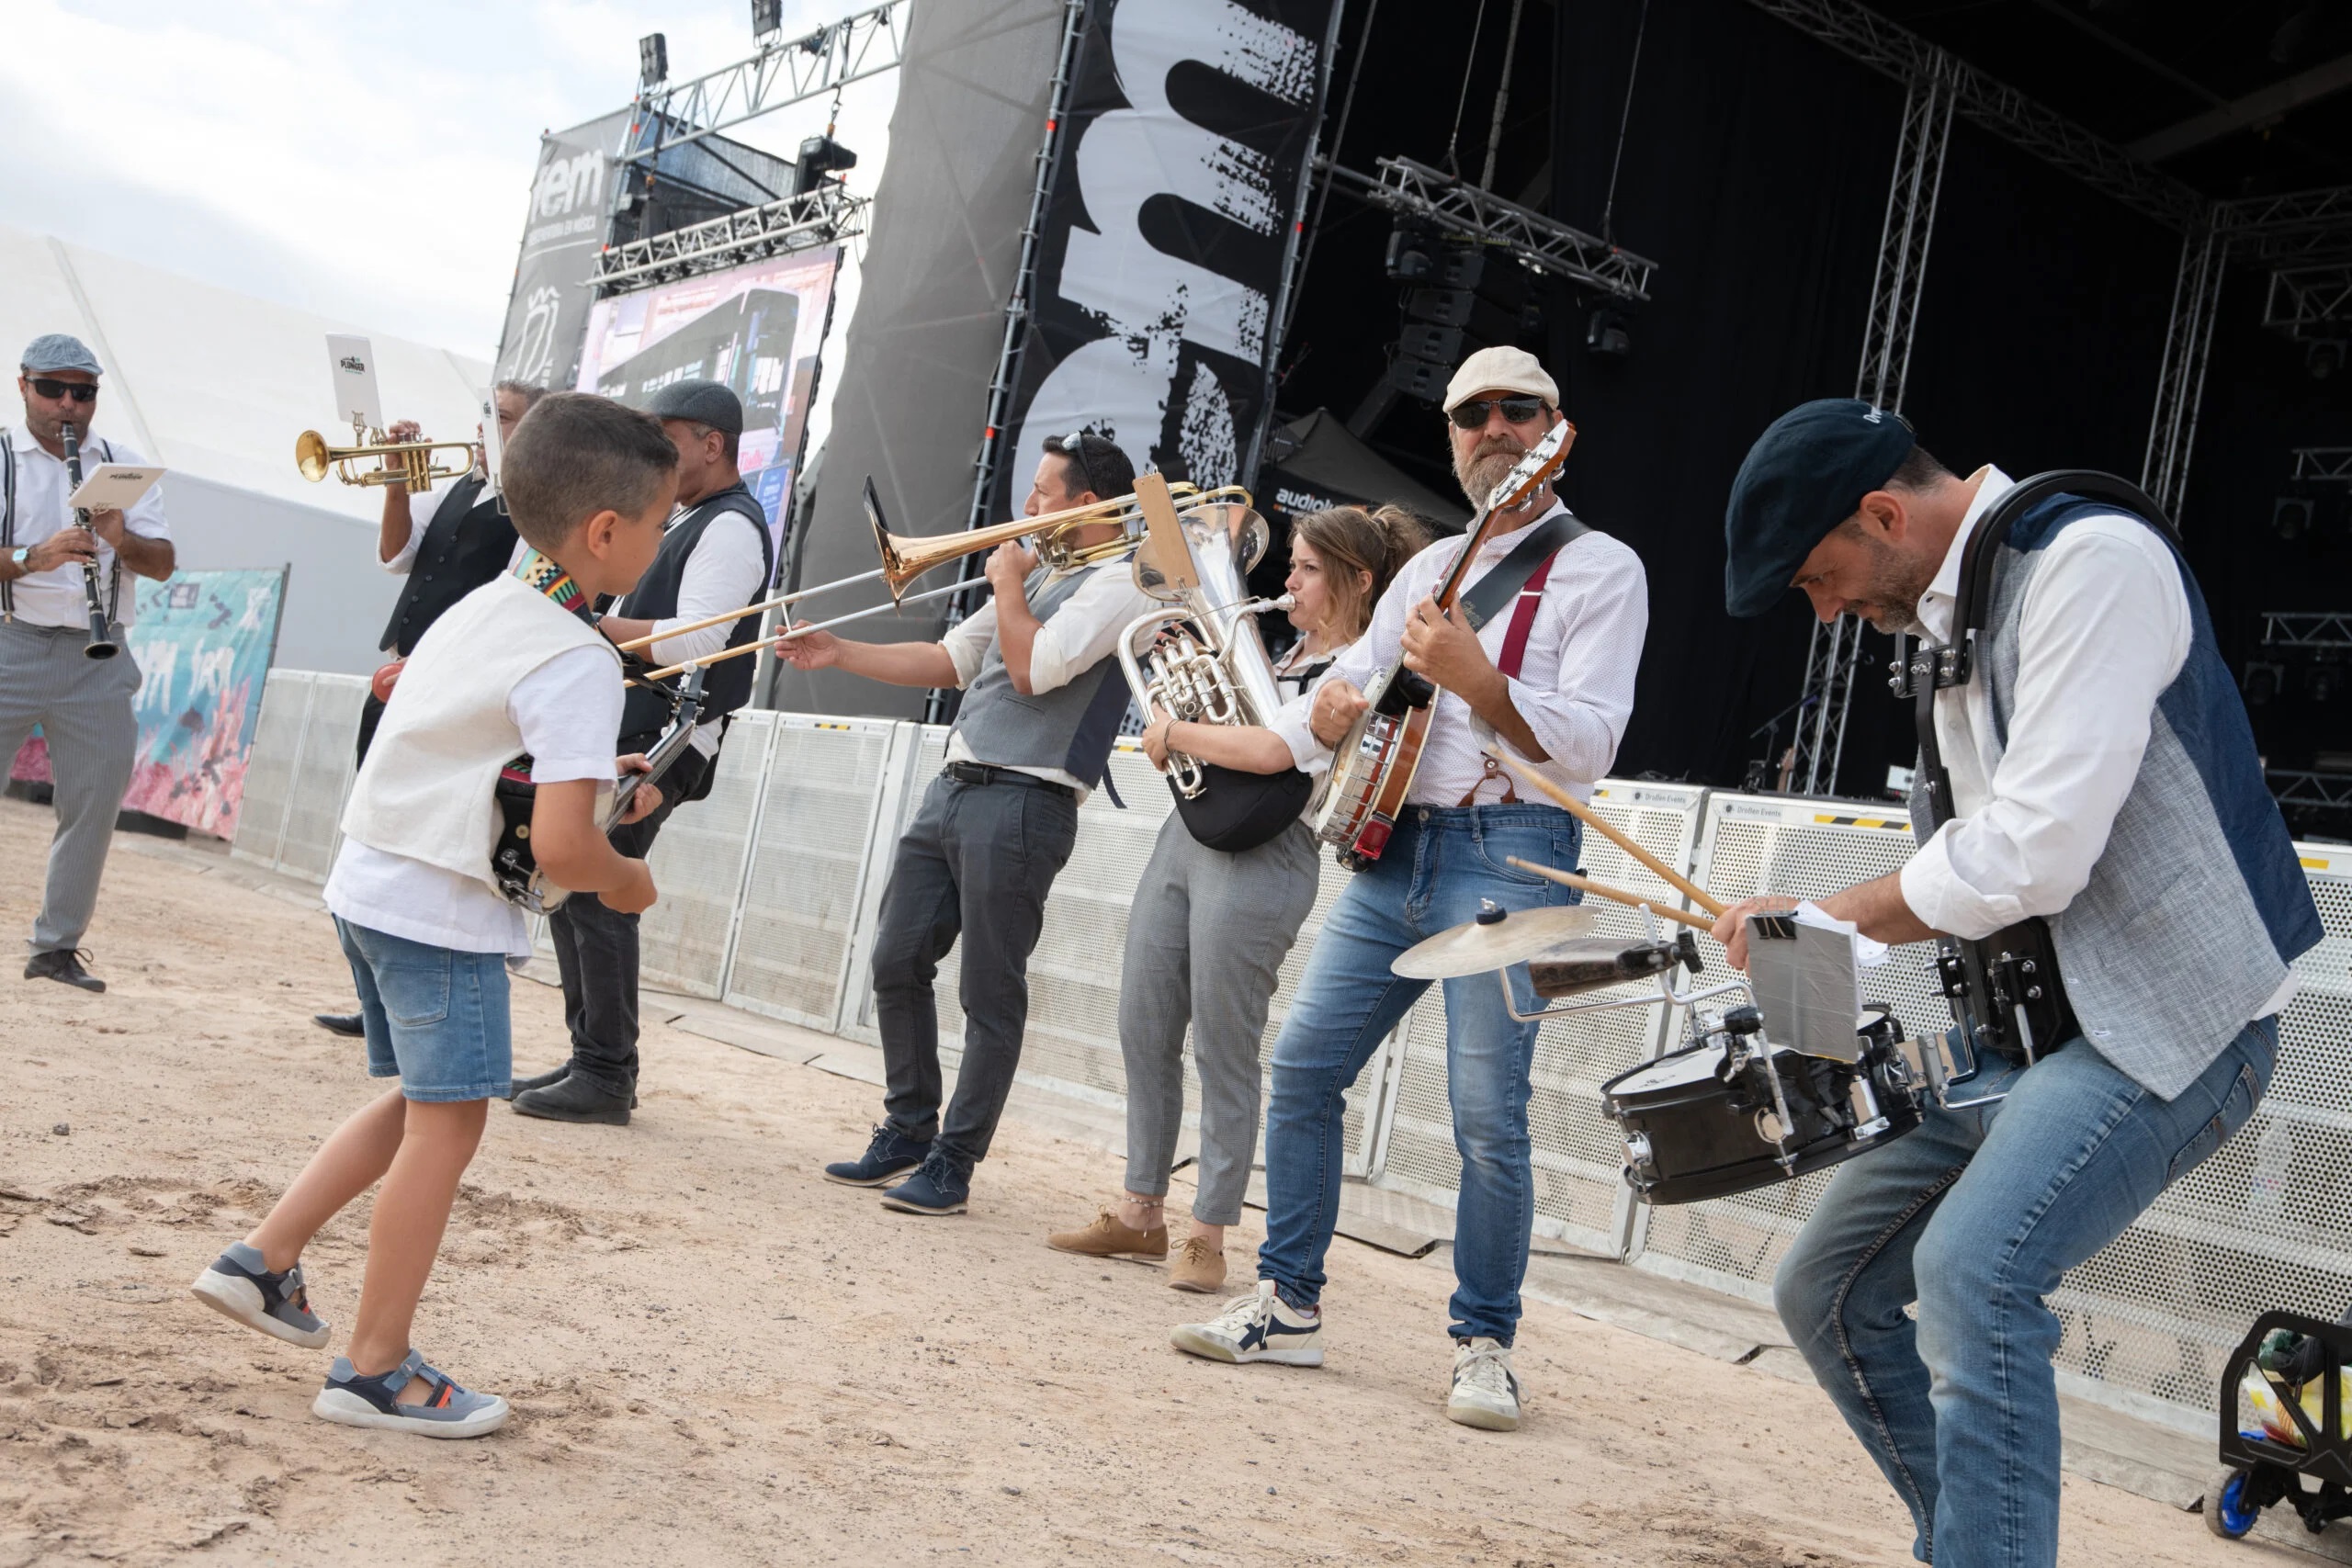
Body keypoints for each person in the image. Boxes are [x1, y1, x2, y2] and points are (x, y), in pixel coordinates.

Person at [1707, 399, 2322, 1568]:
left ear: (1883, 512)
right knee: (1825, 1295)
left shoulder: (2091, 563)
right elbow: (1982, 876)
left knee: (1974, 1272)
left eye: (1816, 580)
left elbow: (2037, 851)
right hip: (2032, 1035)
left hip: (2172, 1024)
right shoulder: (1960, 610)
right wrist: (1809, 953)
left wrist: (1821, 916)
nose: (1826, 612)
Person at [1168, 347, 1648, 1435]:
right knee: (1301, 1071)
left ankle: (1484, 1343)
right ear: (1451, 437)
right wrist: (1272, 725)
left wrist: (1481, 681)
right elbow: (1322, 712)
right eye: (1470, 415)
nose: (1493, 428)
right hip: (1396, 850)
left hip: (1510, 846)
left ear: (1553, 426)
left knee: (1488, 1117)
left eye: (1514, 411)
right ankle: (1289, 1305)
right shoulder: (1427, 570)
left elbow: (1591, 746)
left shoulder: (1602, 567)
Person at [187, 392, 676, 1438]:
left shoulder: (489, 602)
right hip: (438, 913)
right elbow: (562, 852)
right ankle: (373, 1367)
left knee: (420, 1102)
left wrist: (589, 779)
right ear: (605, 532)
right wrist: (627, 877)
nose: (662, 540)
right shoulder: (579, 655)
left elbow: (473, 751)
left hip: (369, 885)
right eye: (660, 523)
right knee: (448, 1129)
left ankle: (261, 1260)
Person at [1045, 504, 1425, 1292]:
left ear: (1358, 582)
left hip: (1265, 859)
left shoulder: (1354, 675)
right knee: (1143, 1022)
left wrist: (1176, 735)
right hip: (1188, 838)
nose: (1287, 580)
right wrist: (1179, 703)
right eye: (1290, 563)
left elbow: (1267, 749)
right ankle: (1141, 1208)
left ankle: (1208, 1232)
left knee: (1224, 1045)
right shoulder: (1279, 654)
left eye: (1309, 568)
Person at [780, 431, 1151, 1215]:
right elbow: (952, 660)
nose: (1025, 510)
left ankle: (955, 1160)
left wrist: (1010, 584)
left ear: (1087, 505)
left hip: (1026, 799)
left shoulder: (1127, 581)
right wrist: (838, 649)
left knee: (990, 992)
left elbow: (1034, 667)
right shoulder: (1044, 572)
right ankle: (909, 1126)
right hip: (955, 784)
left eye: (1042, 494)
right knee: (894, 957)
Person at [508, 379, 775, 1125]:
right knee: (572, 882)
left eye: (669, 438)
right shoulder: (693, 517)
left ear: (712, 444)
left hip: (671, 734)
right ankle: (589, 1053)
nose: (654, 455)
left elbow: (699, 641)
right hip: (634, 723)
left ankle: (607, 1069)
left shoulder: (731, 526)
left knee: (598, 886)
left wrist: (582, 622)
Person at [313, 378, 545, 1038]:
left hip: (450, 690)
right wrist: (396, 482)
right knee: (372, 826)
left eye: (501, 417)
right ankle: (376, 998)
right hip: (398, 676)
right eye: (485, 414)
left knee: (414, 834)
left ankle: (404, 999)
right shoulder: (457, 485)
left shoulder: (530, 508)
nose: (485, 426)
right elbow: (395, 557)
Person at [1, 333, 175, 994]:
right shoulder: (1, 458)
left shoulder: (122, 466)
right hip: (10, 640)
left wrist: (119, 536)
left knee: (94, 802)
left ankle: (56, 946)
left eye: (84, 391)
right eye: (53, 389)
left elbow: (163, 563)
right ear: (23, 386)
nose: (69, 404)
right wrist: (34, 557)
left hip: (97, 657)